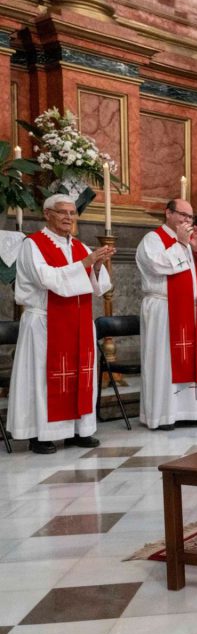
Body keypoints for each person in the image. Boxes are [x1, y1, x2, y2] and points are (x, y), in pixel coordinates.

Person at [6, 195, 114, 454]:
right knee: (43, 377)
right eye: (62, 212)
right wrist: (86, 264)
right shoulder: (32, 244)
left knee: (80, 375)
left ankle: (79, 430)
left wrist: (97, 266)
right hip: (45, 321)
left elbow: (100, 287)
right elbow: (46, 278)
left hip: (77, 321)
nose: (69, 217)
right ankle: (41, 434)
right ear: (47, 214)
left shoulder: (79, 246)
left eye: (72, 213)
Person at [136, 199, 197, 430]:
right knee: (164, 362)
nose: (187, 221)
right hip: (165, 310)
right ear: (168, 213)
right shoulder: (153, 239)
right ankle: (164, 415)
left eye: (190, 217)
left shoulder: (193, 240)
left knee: (195, 359)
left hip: (195, 312)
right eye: (182, 215)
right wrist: (179, 244)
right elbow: (157, 265)